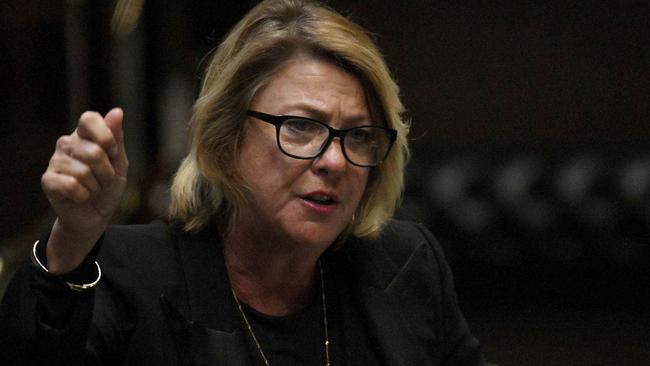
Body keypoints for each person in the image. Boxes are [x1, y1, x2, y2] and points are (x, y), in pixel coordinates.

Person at [0, 0, 488, 364]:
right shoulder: (129, 275)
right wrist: (72, 244)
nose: (336, 161)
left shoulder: (402, 267)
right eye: (300, 126)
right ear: (226, 141)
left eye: (358, 136)